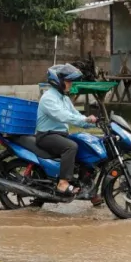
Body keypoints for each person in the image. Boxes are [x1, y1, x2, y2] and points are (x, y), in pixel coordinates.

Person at [36, 64, 97, 196]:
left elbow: (76, 115)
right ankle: (62, 183)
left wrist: (94, 123)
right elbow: (63, 116)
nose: (71, 84)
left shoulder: (64, 98)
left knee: (85, 146)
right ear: (58, 81)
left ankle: (87, 189)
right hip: (46, 135)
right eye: (68, 81)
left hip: (60, 135)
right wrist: (85, 120)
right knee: (71, 147)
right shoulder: (48, 98)